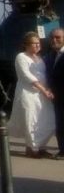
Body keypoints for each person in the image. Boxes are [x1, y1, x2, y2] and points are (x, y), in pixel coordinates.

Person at [9, 31, 55, 158]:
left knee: (47, 120)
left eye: (38, 43)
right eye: (34, 43)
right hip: (28, 93)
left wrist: (48, 88)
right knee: (31, 120)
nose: (37, 45)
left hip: (42, 94)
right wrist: (43, 89)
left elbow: (45, 75)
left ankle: (40, 145)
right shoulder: (21, 57)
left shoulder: (40, 58)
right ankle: (32, 149)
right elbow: (26, 76)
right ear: (26, 45)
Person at [47, 28, 64, 160]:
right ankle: (62, 149)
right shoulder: (51, 55)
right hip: (56, 97)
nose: (54, 40)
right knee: (60, 124)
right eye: (52, 37)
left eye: (58, 37)